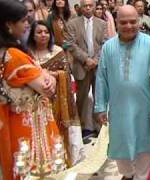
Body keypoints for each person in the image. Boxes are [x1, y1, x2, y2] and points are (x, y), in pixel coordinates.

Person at [94, 5, 150, 180]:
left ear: (140, 21)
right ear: (116, 23)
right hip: (119, 110)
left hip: (145, 108)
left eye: (133, 21)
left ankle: (141, 177)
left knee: (144, 148)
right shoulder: (108, 47)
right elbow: (101, 79)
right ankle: (127, 175)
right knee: (120, 148)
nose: (129, 26)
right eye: (124, 22)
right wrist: (100, 106)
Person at [0, 0, 65, 179]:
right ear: (9, 24)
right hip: (30, 126)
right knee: (36, 170)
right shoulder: (15, 56)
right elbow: (46, 89)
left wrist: (44, 74)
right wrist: (47, 76)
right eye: (23, 20)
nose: (28, 24)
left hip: (15, 122)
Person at [27, 21, 84, 166]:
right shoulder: (28, 54)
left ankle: (66, 159)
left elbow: (66, 73)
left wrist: (53, 74)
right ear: (32, 35)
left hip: (59, 99)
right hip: (37, 100)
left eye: (46, 32)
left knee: (61, 129)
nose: (43, 35)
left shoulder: (57, 51)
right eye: (39, 32)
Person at [66, 0, 107, 137]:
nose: (88, 8)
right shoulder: (72, 24)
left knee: (99, 98)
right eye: (85, 6)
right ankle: (83, 128)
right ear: (80, 7)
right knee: (82, 99)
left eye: (90, 6)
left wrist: (95, 60)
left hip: (98, 67)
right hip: (81, 66)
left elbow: (105, 44)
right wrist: (86, 59)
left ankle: (98, 126)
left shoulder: (102, 24)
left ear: (95, 7)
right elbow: (70, 44)